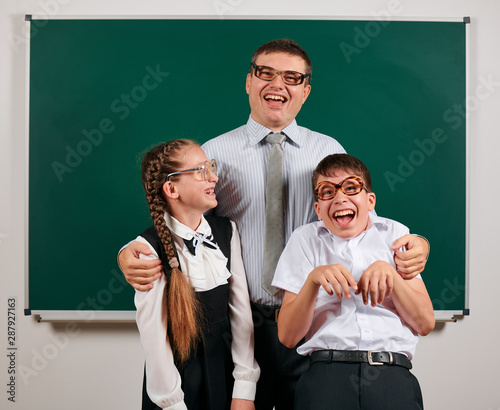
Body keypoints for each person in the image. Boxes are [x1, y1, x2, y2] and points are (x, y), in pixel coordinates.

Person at [119, 39, 430, 409]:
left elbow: (361, 222)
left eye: (292, 77)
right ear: (249, 81)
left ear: (305, 90)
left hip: (311, 322)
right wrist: (129, 252)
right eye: (265, 73)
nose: (277, 84)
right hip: (239, 327)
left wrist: (418, 242)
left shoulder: (328, 149)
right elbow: (183, 223)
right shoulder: (215, 154)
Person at [273, 153, 435, 410]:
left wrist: (392, 275)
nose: (340, 198)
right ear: (317, 209)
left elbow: (425, 323)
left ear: (370, 201)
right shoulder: (304, 240)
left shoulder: (396, 235)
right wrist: (313, 281)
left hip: (392, 373)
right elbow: (288, 337)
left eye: (351, 187)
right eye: (327, 192)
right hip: (326, 375)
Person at [134, 139, 259, 410]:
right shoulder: (148, 249)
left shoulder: (227, 231)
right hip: (178, 384)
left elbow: (241, 316)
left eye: (210, 167)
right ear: (171, 188)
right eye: (201, 170)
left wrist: (245, 388)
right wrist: (173, 404)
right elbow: (154, 340)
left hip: (226, 374)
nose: (214, 177)